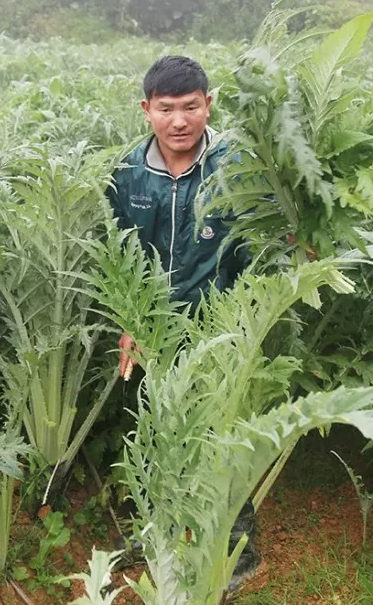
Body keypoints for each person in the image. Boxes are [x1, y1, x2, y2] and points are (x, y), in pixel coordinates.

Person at [107, 55, 261, 593]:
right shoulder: (128, 173)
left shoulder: (236, 166)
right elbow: (119, 257)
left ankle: (234, 548)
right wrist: (130, 323)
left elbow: (255, 245)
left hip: (218, 324)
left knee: (219, 435)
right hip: (155, 329)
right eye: (166, 109)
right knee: (160, 427)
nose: (179, 121)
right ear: (146, 110)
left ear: (207, 105)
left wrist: (247, 317)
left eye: (190, 107)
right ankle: (163, 531)